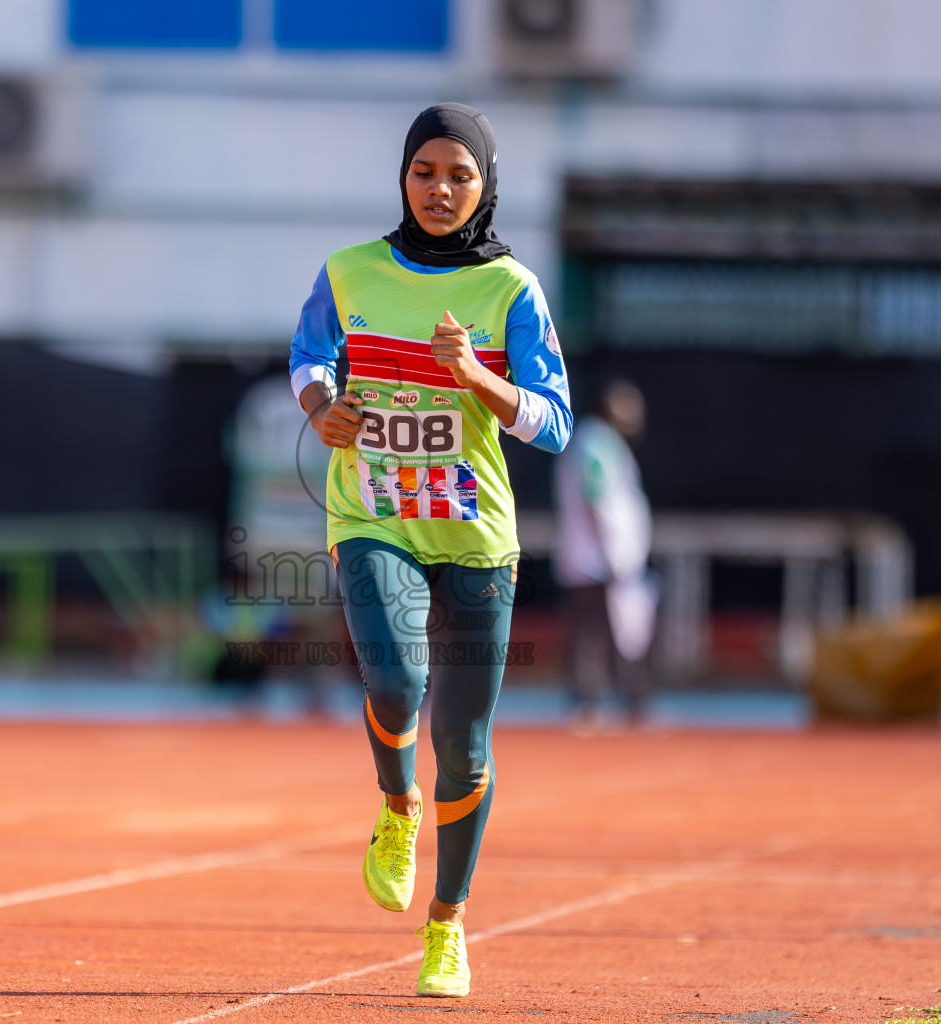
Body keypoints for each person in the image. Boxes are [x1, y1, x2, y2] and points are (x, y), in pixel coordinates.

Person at [289, 103, 572, 996]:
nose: (441, 189)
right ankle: (396, 805)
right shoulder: (349, 271)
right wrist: (319, 404)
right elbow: (308, 355)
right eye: (424, 172)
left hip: (477, 537)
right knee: (396, 678)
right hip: (371, 515)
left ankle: (446, 928)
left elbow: (554, 423)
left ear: (486, 186)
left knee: (468, 742)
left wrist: (476, 374)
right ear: (402, 178)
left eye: (461, 175)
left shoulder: (513, 291)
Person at [554, 378, 656, 725]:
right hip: (597, 558)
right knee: (598, 633)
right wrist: (616, 552)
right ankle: (593, 702)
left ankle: (616, 700)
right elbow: (599, 498)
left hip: (600, 557)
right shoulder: (597, 443)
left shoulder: (601, 442)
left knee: (610, 632)